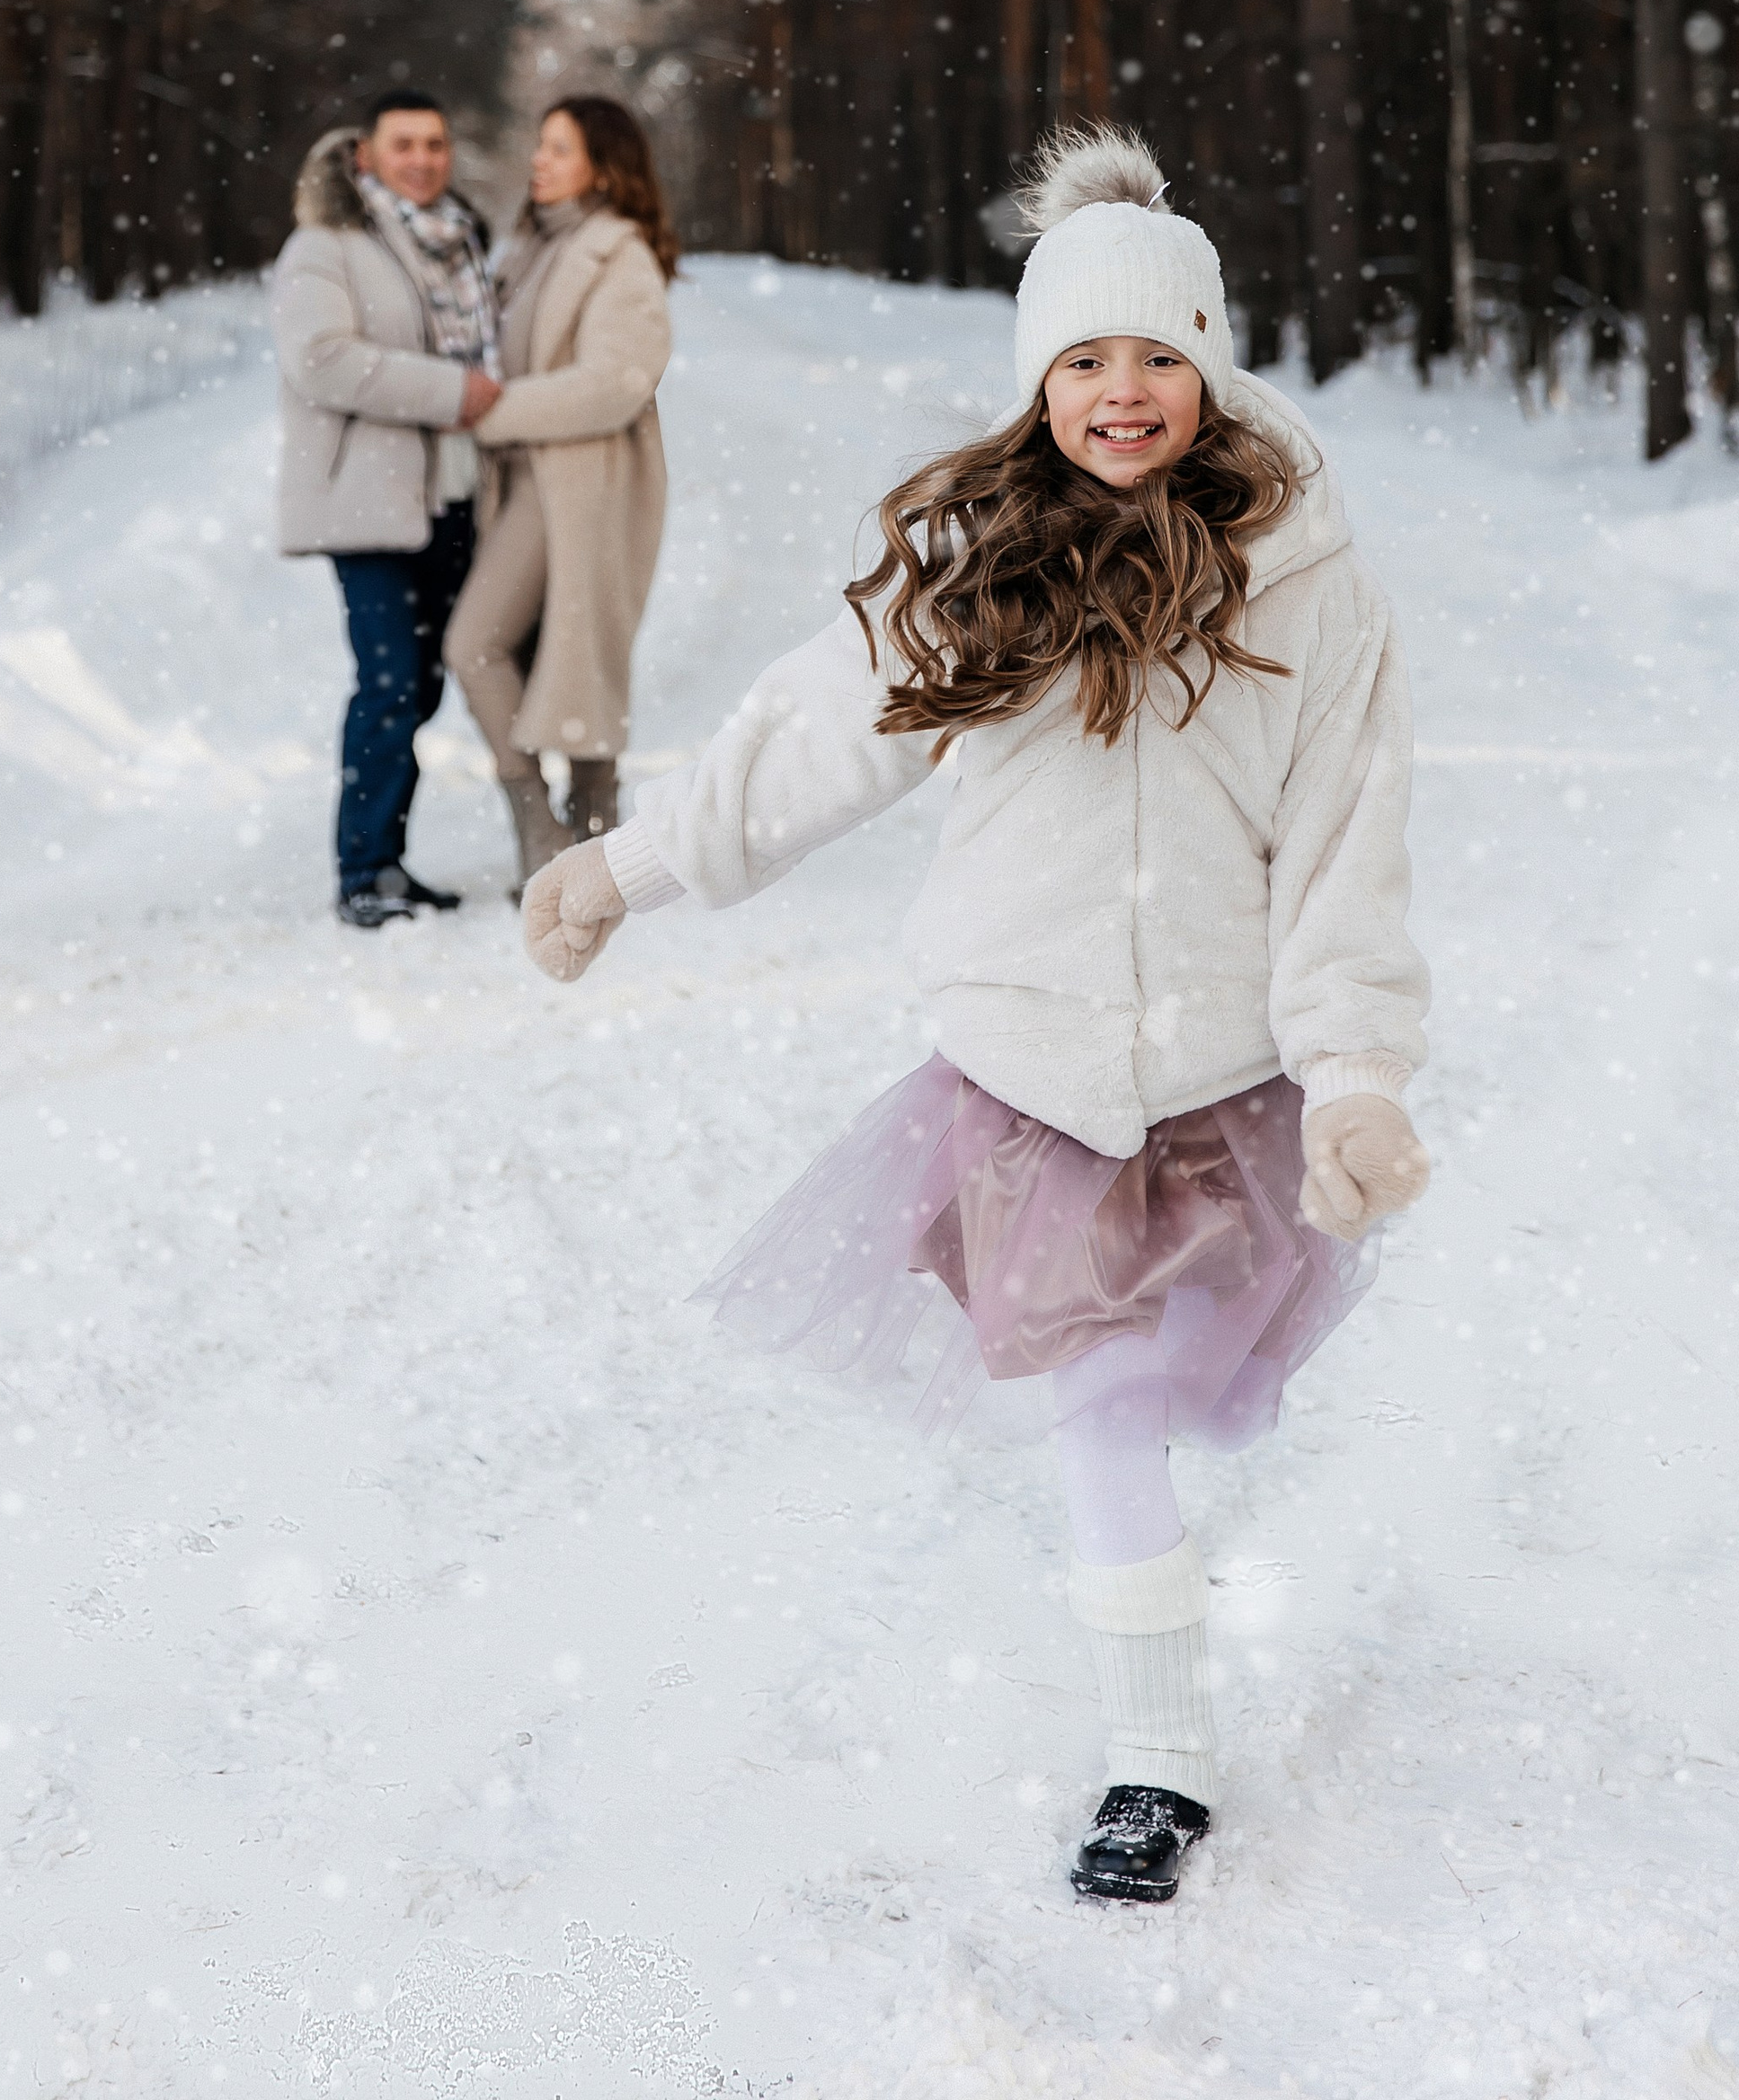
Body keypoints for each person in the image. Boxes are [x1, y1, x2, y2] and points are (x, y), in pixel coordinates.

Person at [517, 127, 1431, 1905]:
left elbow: (1345, 850)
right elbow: (803, 745)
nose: (1118, 391)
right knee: (1101, 1403)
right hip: (1027, 1075)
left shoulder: (1311, 596)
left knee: (1153, 1394)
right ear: (1033, 383)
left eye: (1155, 353)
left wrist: (1353, 1079)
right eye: (1079, 359)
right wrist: (626, 871)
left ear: (1209, 364)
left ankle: (1145, 1626)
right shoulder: (977, 570)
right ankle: (1155, 1763)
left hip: (1222, 1075)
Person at [271, 91, 502, 930]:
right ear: (364, 156)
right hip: (367, 504)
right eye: (403, 144)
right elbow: (321, 360)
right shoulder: (325, 245)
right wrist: (454, 395)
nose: (423, 158)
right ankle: (363, 870)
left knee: (426, 684)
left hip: (448, 498)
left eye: (435, 143)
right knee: (389, 685)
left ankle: (388, 864)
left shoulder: (454, 242)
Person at [443, 95, 677, 891]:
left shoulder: (621, 257)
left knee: (495, 643)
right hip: (526, 476)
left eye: (558, 149)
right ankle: (568, 822)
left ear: (603, 167)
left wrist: (491, 412)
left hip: (581, 482)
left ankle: (563, 821)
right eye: (539, 146)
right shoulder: (531, 248)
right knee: (533, 649)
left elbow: (614, 384)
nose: (538, 161)